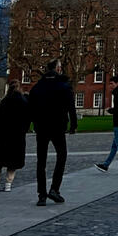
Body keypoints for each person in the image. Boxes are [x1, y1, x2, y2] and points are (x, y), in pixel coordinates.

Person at [28, 60, 76, 207]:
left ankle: (41, 194)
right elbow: (71, 107)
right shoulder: (64, 86)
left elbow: (31, 108)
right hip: (58, 126)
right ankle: (55, 188)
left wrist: (33, 123)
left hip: (41, 127)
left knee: (41, 161)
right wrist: (73, 124)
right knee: (61, 156)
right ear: (58, 69)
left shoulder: (37, 87)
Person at [0, 85, 30, 193]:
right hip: (17, 137)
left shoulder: (5, 102)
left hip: (3, 136)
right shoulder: (25, 103)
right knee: (13, 162)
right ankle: (8, 183)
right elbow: (27, 121)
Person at [94, 74, 118, 176]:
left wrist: (111, 110)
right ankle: (105, 165)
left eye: (111, 83)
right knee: (115, 146)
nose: (110, 86)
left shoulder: (117, 92)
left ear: (117, 83)